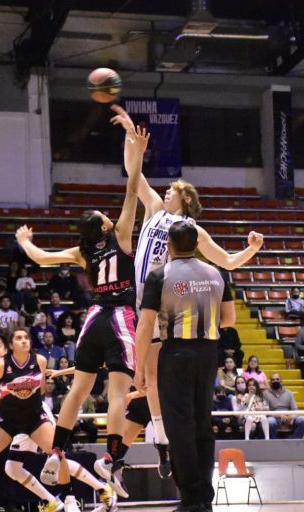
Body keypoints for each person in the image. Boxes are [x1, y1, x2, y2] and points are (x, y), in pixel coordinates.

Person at [110, 104, 262, 472]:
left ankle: (165, 443)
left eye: (172, 190)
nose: (165, 191)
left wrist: (251, 250)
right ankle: (162, 442)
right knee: (150, 381)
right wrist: (132, 138)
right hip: (141, 299)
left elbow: (225, 262)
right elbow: (134, 173)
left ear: (186, 202)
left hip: (168, 303)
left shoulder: (194, 231)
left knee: (155, 378)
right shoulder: (152, 209)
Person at [14, 117, 150, 499]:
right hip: (121, 316)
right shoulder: (121, 235)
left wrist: (25, 242)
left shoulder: (82, 251)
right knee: (119, 393)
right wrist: (136, 153)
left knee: (78, 389)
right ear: (106, 228)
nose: (109, 215)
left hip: (92, 318)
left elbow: (41, 258)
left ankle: (57, 449)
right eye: (105, 217)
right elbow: (130, 190)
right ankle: (110, 459)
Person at [133, 219, 235, 512]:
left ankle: (192, 499)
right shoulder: (216, 273)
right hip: (208, 355)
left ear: (169, 245)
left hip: (176, 353)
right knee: (203, 426)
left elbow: (145, 325)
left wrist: (140, 369)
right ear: (197, 244)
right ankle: (204, 496)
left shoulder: (158, 275)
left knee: (180, 428)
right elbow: (229, 320)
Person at [0, 328, 117, 512]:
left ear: (5, 347)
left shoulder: (38, 361)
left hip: (35, 415)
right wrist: (3, 394)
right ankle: (51, 501)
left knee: (55, 455)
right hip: (9, 418)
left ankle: (87, 492)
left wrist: (21, 394)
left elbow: (42, 391)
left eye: (25, 338)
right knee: (10, 467)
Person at [264, 373, 304, 439]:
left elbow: (295, 410)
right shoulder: (265, 394)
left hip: (288, 418)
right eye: (273, 380)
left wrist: (291, 416)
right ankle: (275, 442)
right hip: (274, 417)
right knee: (270, 421)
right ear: (270, 382)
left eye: (277, 379)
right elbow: (266, 411)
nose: (275, 381)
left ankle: (294, 440)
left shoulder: (289, 393)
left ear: (281, 381)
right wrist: (279, 415)